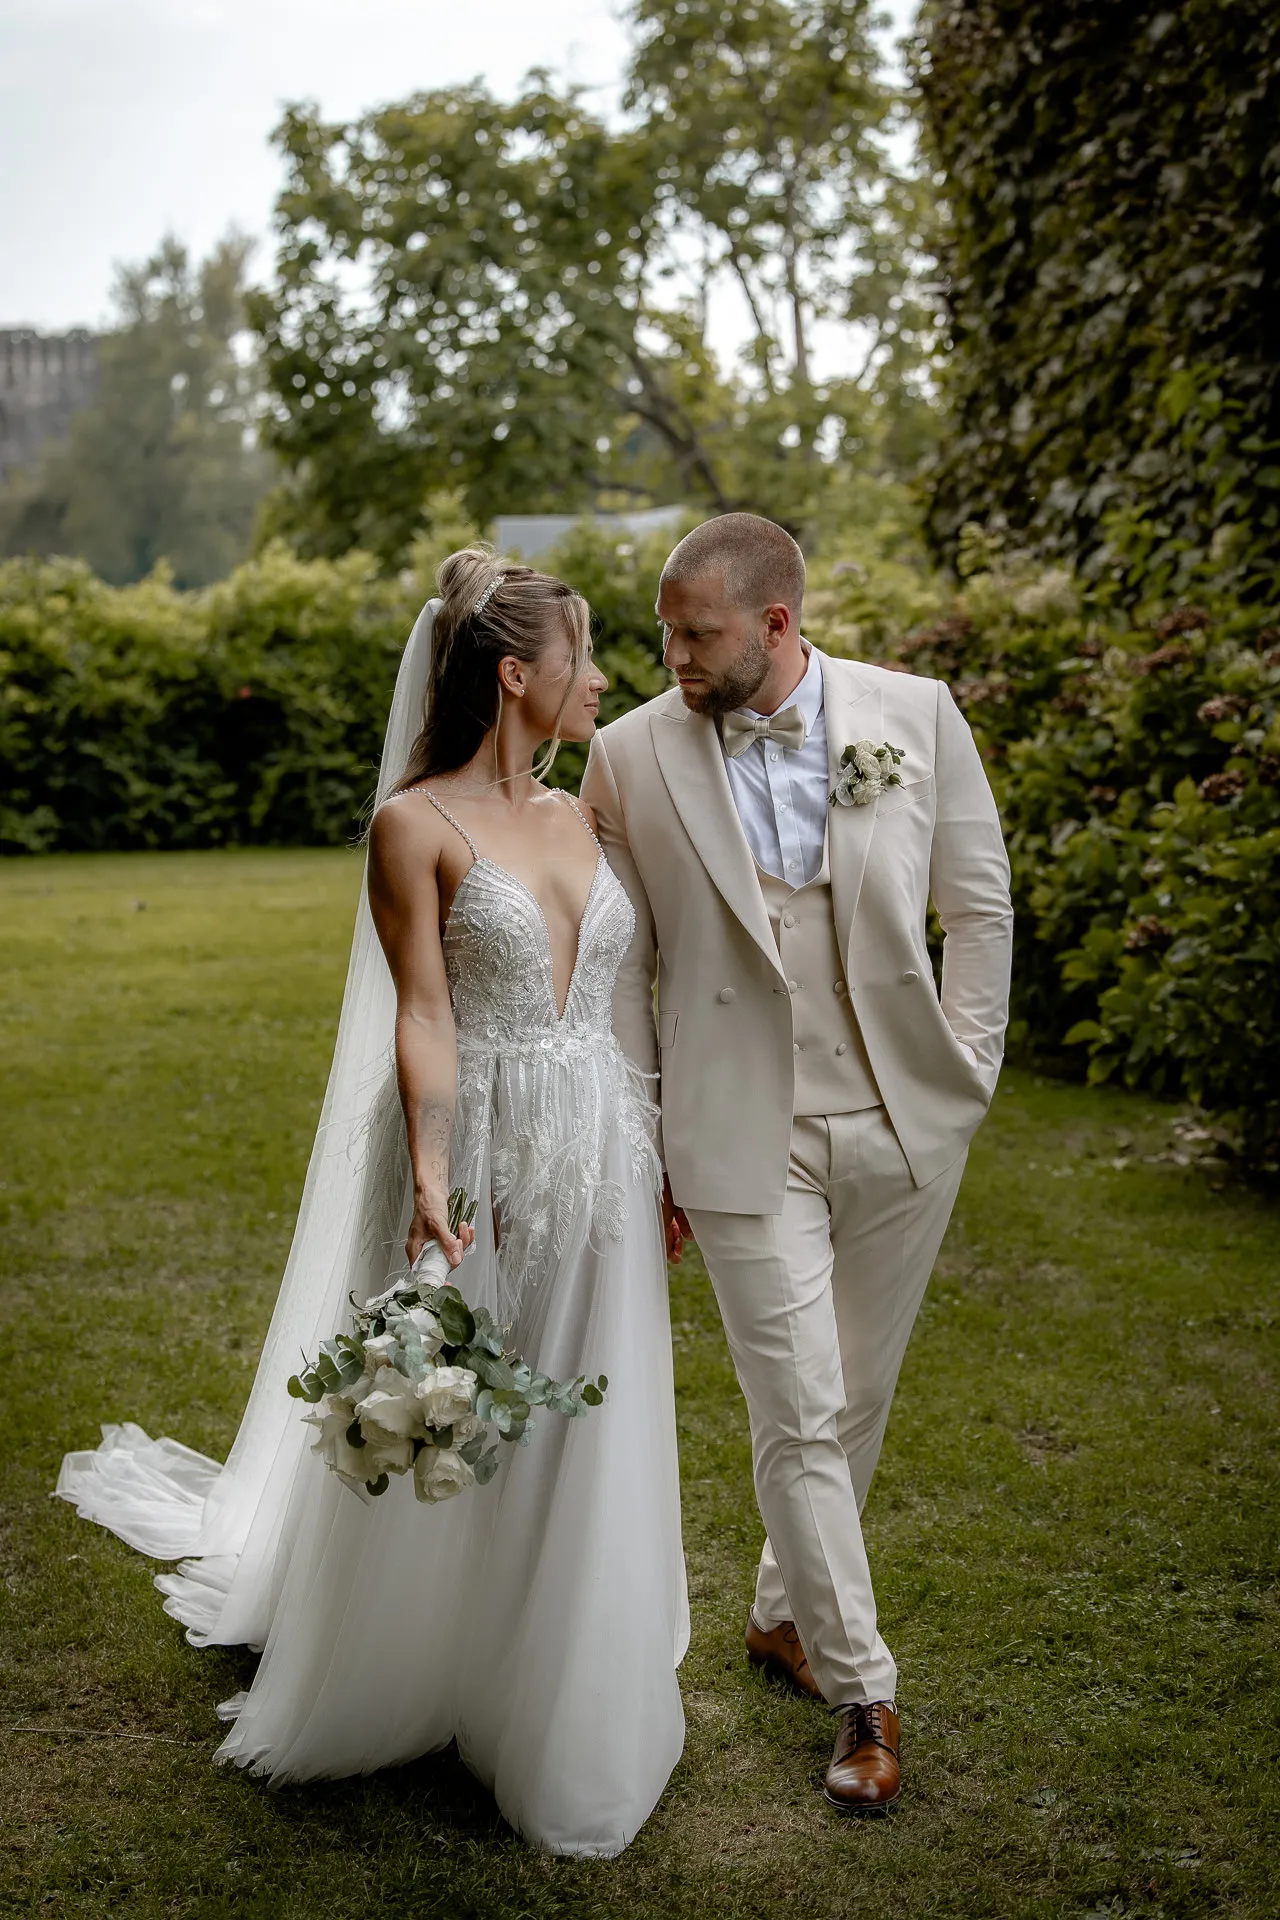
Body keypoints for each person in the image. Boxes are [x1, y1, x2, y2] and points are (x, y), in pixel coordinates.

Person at [56, 549, 688, 1858]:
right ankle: (422, 1668)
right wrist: (437, 1172)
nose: (603, 677)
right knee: (472, 1408)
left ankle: (559, 1669)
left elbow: (622, 988)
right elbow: (422, 1008)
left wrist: (667, 1142)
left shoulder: (584, 813)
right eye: (583, 655)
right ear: (519, 675)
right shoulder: (416, 824)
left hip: (603, 1150)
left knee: (589, 1405)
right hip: (484, 1145)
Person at [582, 511, 1013, 1814]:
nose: (670, 654)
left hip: (902, 1115)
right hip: (733, 1133)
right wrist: (644, 1132)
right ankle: (863, 1693)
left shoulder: (914, 713)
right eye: (662, 630)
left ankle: (781, 1613)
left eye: (694, 632)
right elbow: (625, 974)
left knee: (855, 1399)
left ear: (777, 625)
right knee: (801, 1408)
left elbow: (977, 902)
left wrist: (970, 1068)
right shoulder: (625, 758)